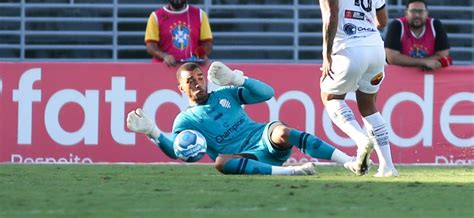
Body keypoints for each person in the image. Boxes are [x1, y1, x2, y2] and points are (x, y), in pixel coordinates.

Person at [127, 61, 363, 176]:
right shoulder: (185, 120)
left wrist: (237, 79)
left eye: (199, 77)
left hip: (262, 137)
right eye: (190, 81)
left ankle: (348, 161)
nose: (197, 82)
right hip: (246, 156)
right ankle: (292, 172)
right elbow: (178, 152)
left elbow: (267, 93)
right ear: (180, 88)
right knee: (220, 163)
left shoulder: (224, 94)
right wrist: (153, 133)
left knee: (283, 131)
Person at [315, 0, 399, 177]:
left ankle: (361, 141)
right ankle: (388, 167)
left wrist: (326, 53)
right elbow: (383, 19)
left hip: (348, 47)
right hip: (375, 49)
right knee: (368, 105)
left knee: (330, 97)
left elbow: (331, 12)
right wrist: (364, 25)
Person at [144, 0, 213, 67]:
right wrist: (165, 56)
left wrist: (200, 55)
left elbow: (207, 44)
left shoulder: (200, 15)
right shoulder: (156, 16)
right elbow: (151, 47)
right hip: (163, 69)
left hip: (191, 69)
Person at [384, 0, 451, 70]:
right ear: (406, 13)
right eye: (413, 11)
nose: (417, 15)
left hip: (429, 74)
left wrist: (409, 61)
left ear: (427, 13)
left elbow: (443, 55)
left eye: (420, 11)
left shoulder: (435, 25)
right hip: (401, 75)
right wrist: (423, 62)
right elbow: (392, 58)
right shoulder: (397, 25)